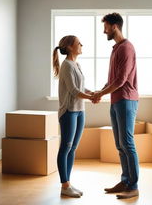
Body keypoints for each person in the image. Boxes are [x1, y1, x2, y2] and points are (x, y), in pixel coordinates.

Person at [93, 13, 139, 199]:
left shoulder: (126, 48)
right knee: (120, 144)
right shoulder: (116, 49)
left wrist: (101, 94)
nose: (104, 30)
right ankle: (125, 180)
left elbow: (121, 80)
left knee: (127, 143)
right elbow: (112, 80)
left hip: (126, 99)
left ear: (114, 26)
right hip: (116, 100)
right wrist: (100, 92)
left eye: (105, 26)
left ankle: (133, 186)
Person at [52, 35, 93, 198]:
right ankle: (65, 185)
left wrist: (93, 93)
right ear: (69, 47)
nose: (81, 45)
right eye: (78, 43)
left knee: (73, 148)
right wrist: (91, 97)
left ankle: (68, 183)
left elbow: (81, 87)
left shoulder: (76, 64)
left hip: (80, 110)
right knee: (66, 148)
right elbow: (74, 91)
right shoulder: (67, 66)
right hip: (69, 112)